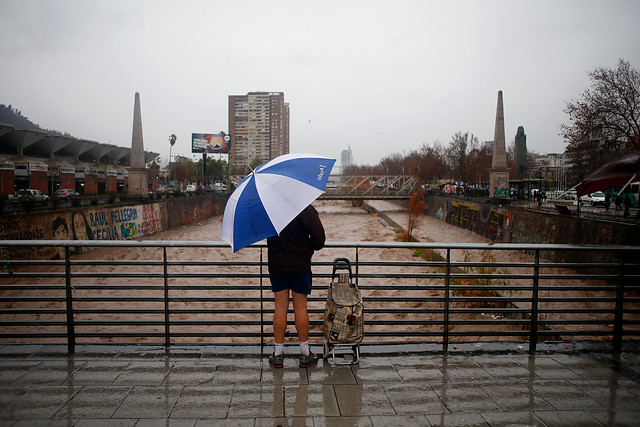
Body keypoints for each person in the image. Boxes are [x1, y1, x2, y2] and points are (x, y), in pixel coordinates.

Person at [267, 204, 325, 369]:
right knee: (301, 308)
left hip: (277, 265)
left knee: (280, 307)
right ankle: (305, 353)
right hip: (300, 265)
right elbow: (319, 240)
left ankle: (278, 354)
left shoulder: (271, 208)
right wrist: (306, 248)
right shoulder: (305, 208)